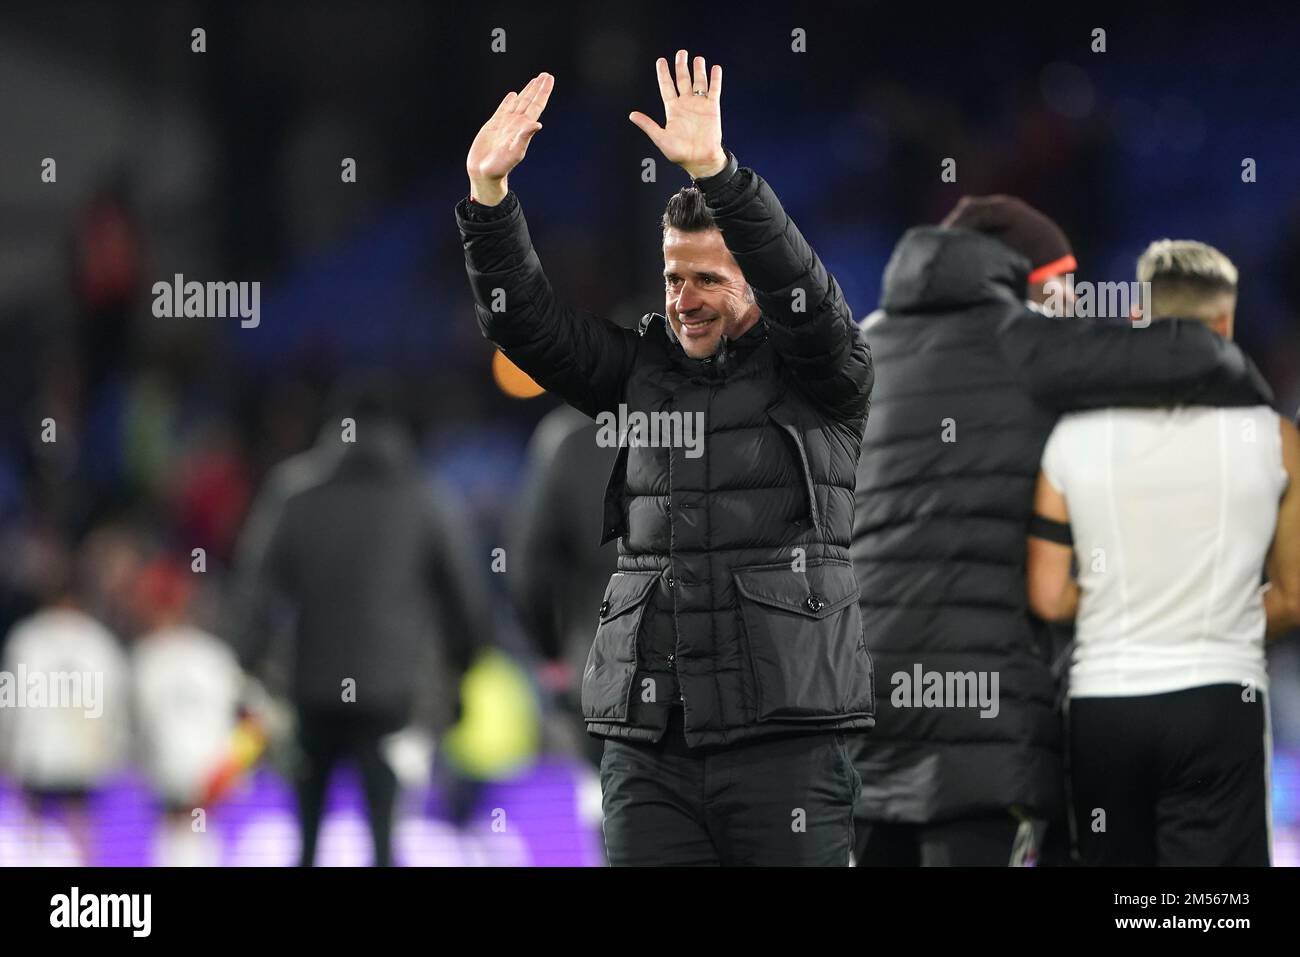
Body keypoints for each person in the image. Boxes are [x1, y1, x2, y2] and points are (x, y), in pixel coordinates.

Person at [457, 51, 874, 866]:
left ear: (754, 281)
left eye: (708, 279)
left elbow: (809, 297)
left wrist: (720, 175)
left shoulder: (825, 373)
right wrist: (490, 201)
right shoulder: (640, 370)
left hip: (785, 739)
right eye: (672, 277)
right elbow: (525, 324)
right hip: (651, 743)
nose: (683, 299)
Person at [849, 200, 1274, 866]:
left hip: (862, 711)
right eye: (1066, 283)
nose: (1075, 300)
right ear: (1029, 279)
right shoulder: (1023, 342)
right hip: (983, 720)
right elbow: (1197, 350)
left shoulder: (860, 349)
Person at [1027, 239, 1299, 866]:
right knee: (1213, 910)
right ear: (1225, 324)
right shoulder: (1275, 439)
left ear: (1138, 318)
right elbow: (1293, 596)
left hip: (1103, 709)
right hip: (1219, 701)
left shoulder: (1072, 437)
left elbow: (1047, 594)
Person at [229, 376, 488, 866]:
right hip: (392, 703)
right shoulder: (423, 497)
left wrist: (249, 667)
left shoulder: (294, 492)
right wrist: (462, 669)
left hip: (311, 695)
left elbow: (254, 593)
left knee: (305, 841)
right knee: (386, 842)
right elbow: (466, 598)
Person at [0, 548, 128, 865]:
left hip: (36, 756)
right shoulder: (101, 643)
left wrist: (6, 752)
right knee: (78, 832)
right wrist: (113, 759)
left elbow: (8, 702)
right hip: (82, 760)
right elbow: (114, 712)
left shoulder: (27, 637)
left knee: (30, 832)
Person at [130, 558, 243, 866]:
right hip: (210, 776)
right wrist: (231, 769)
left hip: (175, 777)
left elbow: (141, 728)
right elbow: (252, 721)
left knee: (182, 839)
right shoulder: (216, 654)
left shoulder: (146, 658)